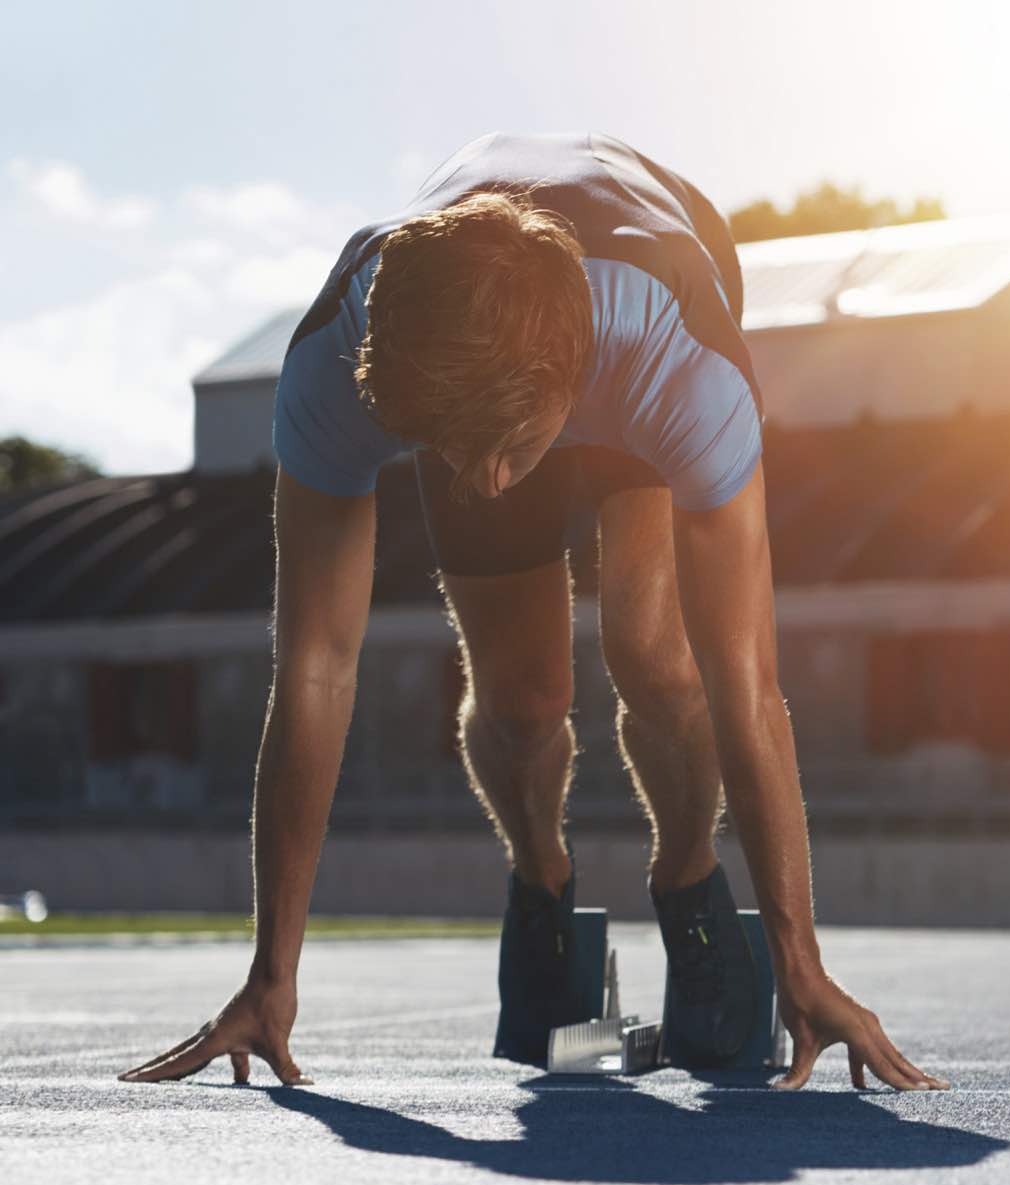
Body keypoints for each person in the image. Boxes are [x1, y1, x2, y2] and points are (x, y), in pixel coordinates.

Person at [120, 132, 944, 1092]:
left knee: (658, 653)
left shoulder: (679, 356)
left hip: (645, 298)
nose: (486, 481)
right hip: (478, 346)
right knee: (520, 701)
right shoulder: (338, 359)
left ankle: (687, 883)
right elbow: (313, 670)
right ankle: (543, 881)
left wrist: (802, 964)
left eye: (509, 452)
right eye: (454, 452)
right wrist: (270, 977)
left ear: (568, 389)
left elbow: (749, 684)